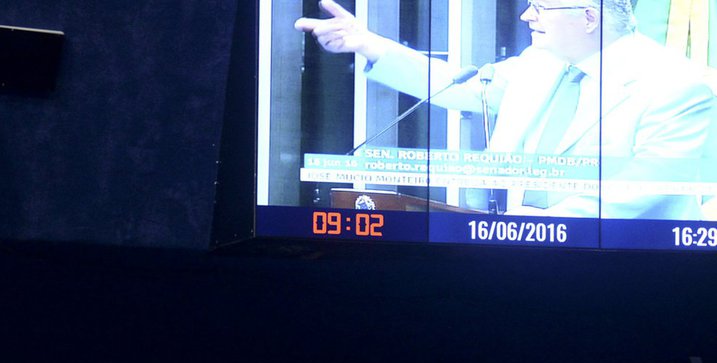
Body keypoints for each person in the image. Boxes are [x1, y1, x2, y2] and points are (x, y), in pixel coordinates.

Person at [295, 0, 717, 219]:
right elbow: (458, 87)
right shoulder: (540, 63)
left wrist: (530, 230)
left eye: (541, 6)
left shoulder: (678, 85)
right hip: (519, 259)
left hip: (630, 274)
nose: (525, 14)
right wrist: (367, 44)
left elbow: (638, 193)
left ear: (589, 17)